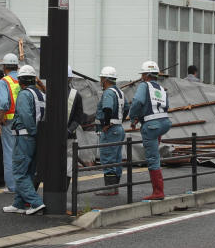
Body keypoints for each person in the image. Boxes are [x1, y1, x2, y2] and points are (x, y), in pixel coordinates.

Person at [3, 65, 47, 215]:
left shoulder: (23, 94)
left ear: (20, 80)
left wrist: (32, 132)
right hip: (37, 138)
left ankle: (36, 202)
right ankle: (19, 204)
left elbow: (26, 115)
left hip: (25, 136)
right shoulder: (41, 95)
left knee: (19, 172)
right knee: (28, 172)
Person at [128, 60, 171, 200]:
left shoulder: (143, 86)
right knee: (154, 148)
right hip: (164, 123)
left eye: (142, 75)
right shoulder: (160, 88)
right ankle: (158, 190)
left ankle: (158, 192)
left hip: (152, 126)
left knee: (152, 158)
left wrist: (133, 117)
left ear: (146, 75)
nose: (141, 77)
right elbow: (166, 106)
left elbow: (138, 102)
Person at [94, 66, 126, 196]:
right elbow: (127, 108)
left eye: (101, 78)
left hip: (110, 130)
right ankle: (115, 187)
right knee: (116, 158)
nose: (101, 81)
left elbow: (107, 108)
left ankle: (110, 188)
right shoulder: (120, 92)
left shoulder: (108, 92)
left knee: (107, 158)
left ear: (105, 79)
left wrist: (106, 124)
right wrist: (119, 120)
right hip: (119, 128)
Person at [0, 53, 21, 192]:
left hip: (9, 121)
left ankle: (12, 186)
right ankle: (23, 184)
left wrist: (1, 118)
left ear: (4, 66)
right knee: (22, 153)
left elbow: (4, 103)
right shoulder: (23, 79)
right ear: (17, 66)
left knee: (9, 153)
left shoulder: (4, 81)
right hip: (24, 120)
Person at [65, 66, 90, 190]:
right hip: (64, 135)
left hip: (68, 137)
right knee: (65, 164)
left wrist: (69, 130)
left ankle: (62, 192)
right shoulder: (51, 92)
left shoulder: (76, 96)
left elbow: (78, 117)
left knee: (68, 164)